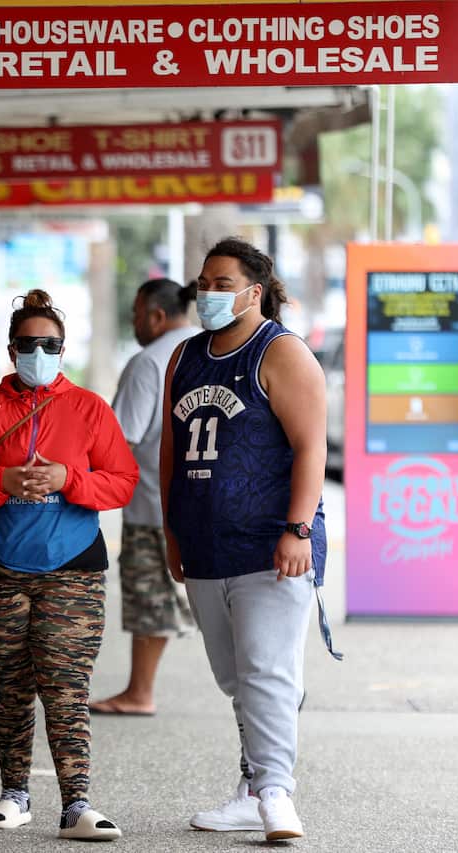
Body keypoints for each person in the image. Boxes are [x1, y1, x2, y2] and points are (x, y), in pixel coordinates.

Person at [0, 289, 138, 842]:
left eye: (50, 344)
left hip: (72, 567)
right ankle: (14, 794)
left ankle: (77, 804)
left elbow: (122, 481)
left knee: (66, 684)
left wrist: (67, 480)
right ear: (10, 349)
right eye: (29, 344)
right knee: (10, 684)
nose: (40, 353)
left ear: (63, 349)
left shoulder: (89, 409)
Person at [161, 238, 328, 842]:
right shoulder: (184, 357)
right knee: (236, 677)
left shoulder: (281, 353)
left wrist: (297, 528)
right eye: (204, 282)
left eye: (222, 282)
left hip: (270, 543)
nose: (208, 292)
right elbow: (170, 452)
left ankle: (277, 794)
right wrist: (171, 530)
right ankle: (252, 787)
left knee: (267, 671)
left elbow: (312, 447)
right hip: (204, 542)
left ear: (255, 292)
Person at [90, 279, 199, 717]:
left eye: (136, 313)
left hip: (154, 505)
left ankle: (139, 692)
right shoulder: (206, 350)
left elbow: (122, 439)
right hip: (206, 503)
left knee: (150, 598)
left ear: (156, 315)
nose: (134, 322)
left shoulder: (148, 362)